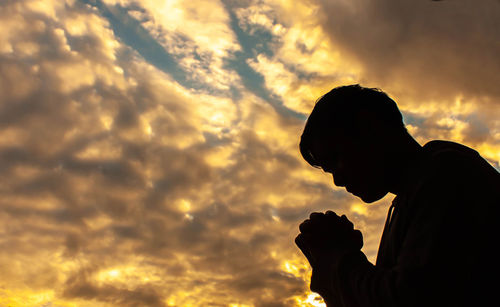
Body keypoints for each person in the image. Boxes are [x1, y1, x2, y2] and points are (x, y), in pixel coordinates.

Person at [295, 85, 500, 307]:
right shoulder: (412, 197)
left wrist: (338, 258)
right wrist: (333, 263)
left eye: (336, 158)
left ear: (370, 128)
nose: (338, 181)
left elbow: (412, 297)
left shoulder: (448, 176)